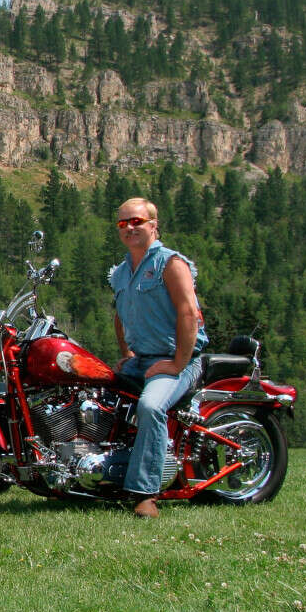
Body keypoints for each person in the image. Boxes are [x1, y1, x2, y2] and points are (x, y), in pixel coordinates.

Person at [109, 197, 208, 518]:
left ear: (154, 225)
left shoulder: (170, 263)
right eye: (123, 223)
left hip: (178, 359)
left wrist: (178, 363)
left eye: (137, 221)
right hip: (144, 358)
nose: (130, 228)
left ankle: (145, 493)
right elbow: (120, 316)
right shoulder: (122, 272)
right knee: (94, 393)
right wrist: (127, 354)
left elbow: (188, 313)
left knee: (151, 406)